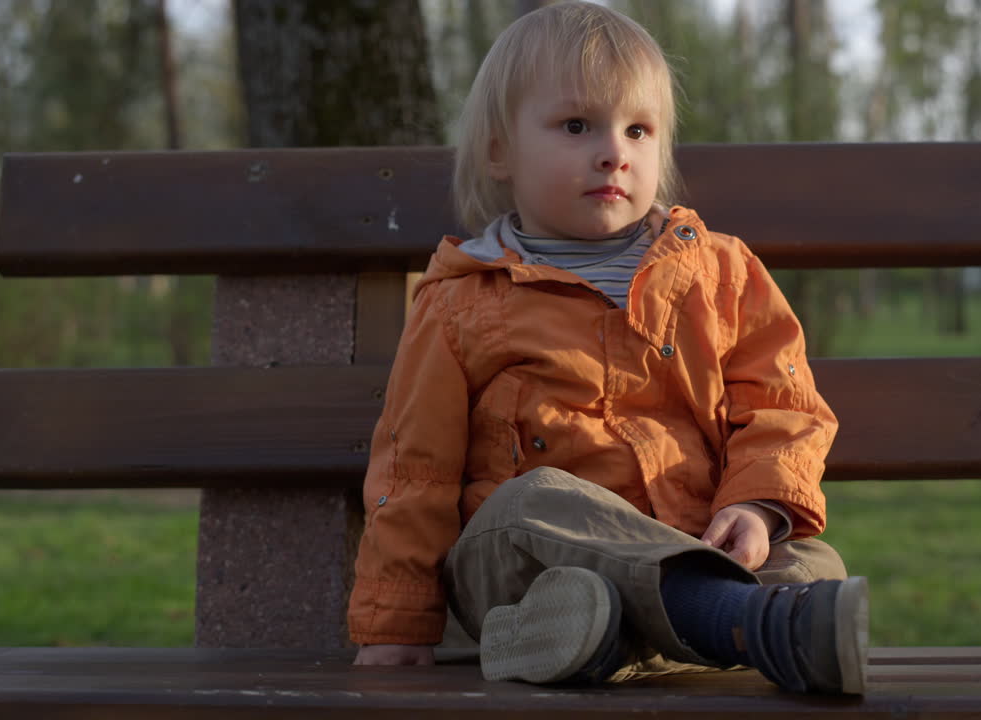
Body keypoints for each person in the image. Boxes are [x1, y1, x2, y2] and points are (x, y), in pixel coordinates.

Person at [348, 1, 868, 694]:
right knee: (530, 500)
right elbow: (414, 472)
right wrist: (397, 625)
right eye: (575, 125)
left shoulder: (720, 274)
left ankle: (600, 642)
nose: (614, 151)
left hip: (695, 544)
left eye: (638, 129)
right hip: (526, 566)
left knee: (809, 563)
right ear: (500, 150)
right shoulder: (461, 302)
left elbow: (782, 407)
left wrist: (756, 508)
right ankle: (738, 625)